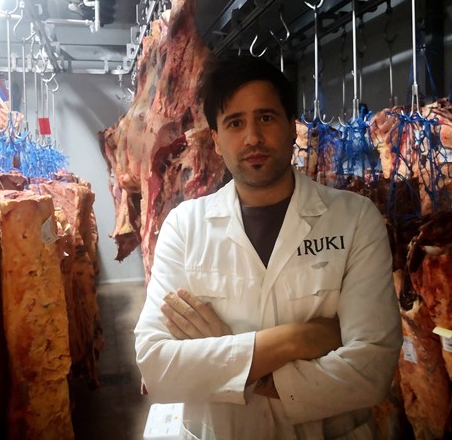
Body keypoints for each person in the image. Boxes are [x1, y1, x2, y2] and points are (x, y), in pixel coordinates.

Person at [134, 55, 402, 440]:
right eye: (235, 123)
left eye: (265, 117)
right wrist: (297, 340)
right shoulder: (184, 226)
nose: (252, 138)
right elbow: (157, 369)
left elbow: (370, 372)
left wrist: (228, 361)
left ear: (292, 128)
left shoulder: (355, 219)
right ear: (216, 140)